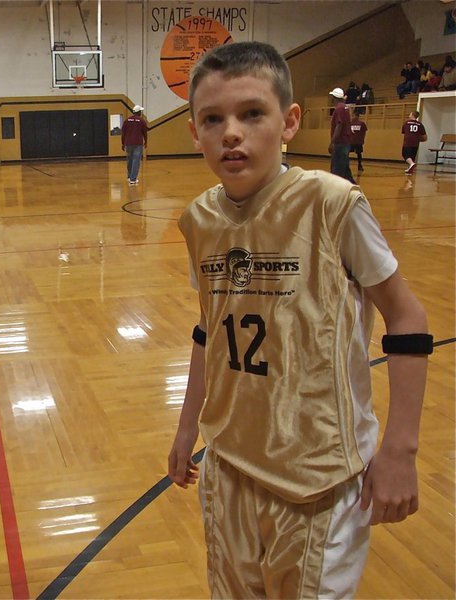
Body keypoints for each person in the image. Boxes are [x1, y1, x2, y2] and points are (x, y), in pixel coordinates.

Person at [168, 41, 430, 599]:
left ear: (288, 122)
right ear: (194, 132)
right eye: (212, 119)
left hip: (318, 478)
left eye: (251, 113)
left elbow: (406, 316)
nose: (231, 133)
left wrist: (400, 450)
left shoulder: (333, 204)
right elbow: (209, 330)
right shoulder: (200, 220)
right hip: (229, 465)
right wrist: (188, 426)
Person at [328, 87, 355, 183]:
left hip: (340, 143)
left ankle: (335, 190)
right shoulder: (345, 108)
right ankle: (354, 188)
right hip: (345, 143)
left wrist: (332, 142)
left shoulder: (339, 109)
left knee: (337, 171)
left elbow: (339, 125)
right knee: (345, 171)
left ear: (335, 98)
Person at [121, 104, 148, 184]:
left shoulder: (127, 120)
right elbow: (145, 133)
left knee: (129, 160)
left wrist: (123, 143)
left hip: (128, 143)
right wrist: (146, 142)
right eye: (140, 111)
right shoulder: (142, 121)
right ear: (139, 112)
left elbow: (123, 133)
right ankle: (133, 179)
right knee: (136, 161)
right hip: (138, 143)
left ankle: (129, 177)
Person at [401, 110, 427, 174]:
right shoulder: (420, 124)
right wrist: (419, 139)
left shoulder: (406, 123)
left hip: (408, 142)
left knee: (405, 155)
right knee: (412, 156)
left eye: (410, 114)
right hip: (416, 143)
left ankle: (412, 164)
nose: (409, 115)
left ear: (412, 115)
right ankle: (410, 169)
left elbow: (404, 132)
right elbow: (424, 137)